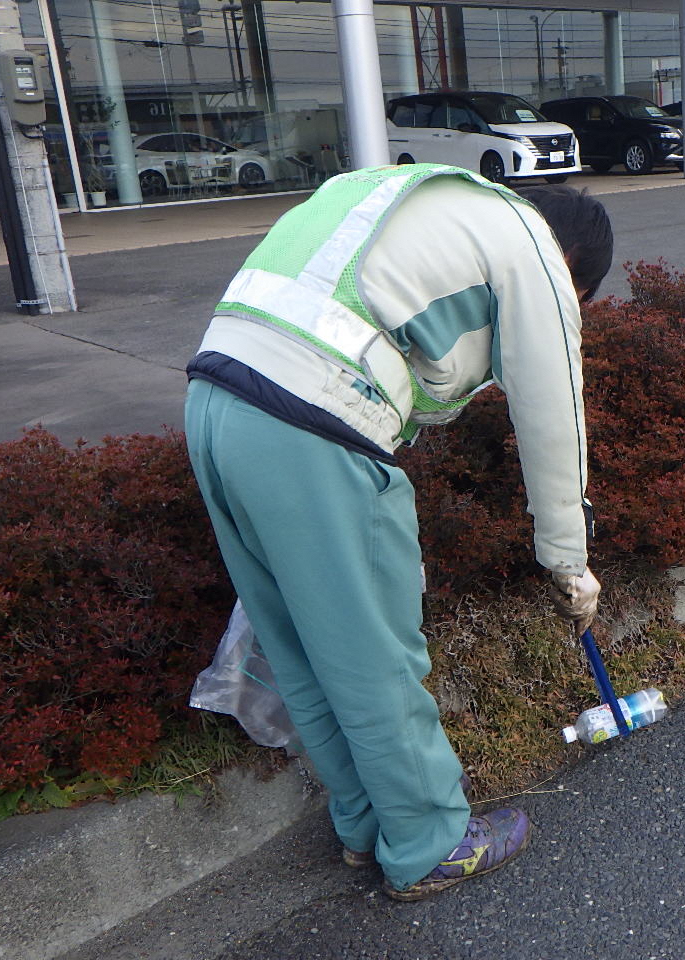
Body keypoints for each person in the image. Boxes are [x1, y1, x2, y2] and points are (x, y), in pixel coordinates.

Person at [183, 162, 612, 901]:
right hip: (308, 424)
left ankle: (362, 829)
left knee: (302, 648)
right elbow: (553, 416)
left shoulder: (406, 197)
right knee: (376, 658)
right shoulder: (534, 248)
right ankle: (427, 842)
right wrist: (570, 564)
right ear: (574, 274)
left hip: (212, 405)